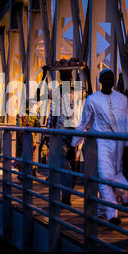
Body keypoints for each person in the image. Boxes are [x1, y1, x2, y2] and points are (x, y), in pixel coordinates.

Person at [71, 69, 128, 225]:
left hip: (116, 144)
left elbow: (125, 123)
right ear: (101, 81)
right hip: (97, 144)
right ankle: (103, 213)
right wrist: (74, 143)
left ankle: (109, 209)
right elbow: (84, 122)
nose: (108, 81)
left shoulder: (122, 99)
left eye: (111, 79)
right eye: (106, 79)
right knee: (99, 178)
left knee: (111, 177)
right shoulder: (92, 100)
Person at [49, 70, 80, 206]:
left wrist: (49, 132)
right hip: (74, 129)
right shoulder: (77, 92)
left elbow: (54, 114)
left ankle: (65, 196)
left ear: (61, 78)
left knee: (61, 163)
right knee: (71, 160)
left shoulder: (58, 92)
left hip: (61, 129)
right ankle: (69, 189)